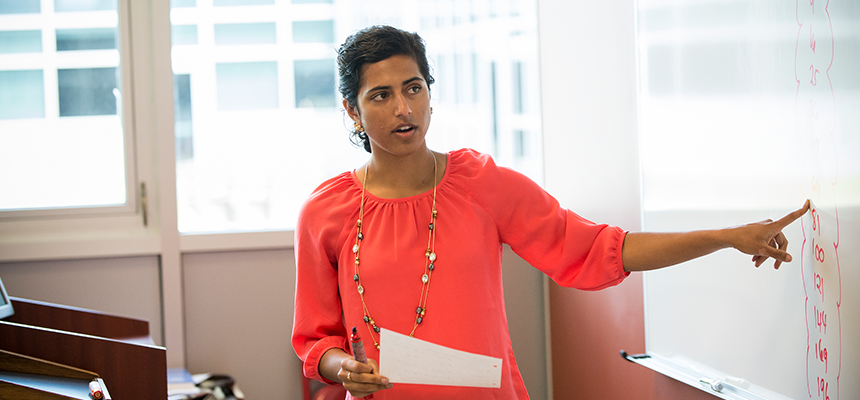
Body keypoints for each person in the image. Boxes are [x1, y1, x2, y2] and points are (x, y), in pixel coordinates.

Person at [291, 25, 809, 399]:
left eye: (414, 88)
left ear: (430, 93)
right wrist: (342, 370)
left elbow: (604, 247)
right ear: (352, 110)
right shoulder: (325, 211)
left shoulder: (480, 184)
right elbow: (318, 339)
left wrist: (726, 236)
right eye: (380, 95)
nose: (403, 108)